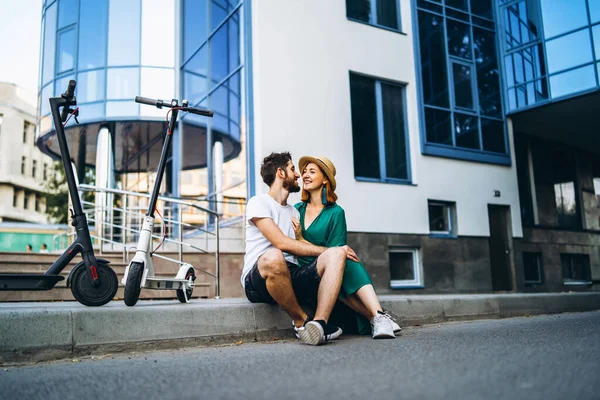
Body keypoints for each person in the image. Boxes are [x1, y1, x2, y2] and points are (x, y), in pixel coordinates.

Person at [242, 152, 360, 346]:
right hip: (259, 279)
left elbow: (300, 245)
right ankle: (301, 322)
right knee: (274, 255)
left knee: (336, 252)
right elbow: (281, 243)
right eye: (292, 169)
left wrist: (334, 251)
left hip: (291, 275)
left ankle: (319, 324)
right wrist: (324, 250)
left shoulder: (294, 211)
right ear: (280, 173)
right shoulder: (258, 202)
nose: (298, 175)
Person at [293, 155, 401, 339]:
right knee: (343, 254)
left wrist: (305, 241)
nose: (305, 175)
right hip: (307, 270)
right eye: (304, 172)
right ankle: (378, 316)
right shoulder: (297, 209)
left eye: (312, 171)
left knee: (345, 258)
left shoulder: (336, 212)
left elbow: (337, 254)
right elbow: (294, 246)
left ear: (325, 179)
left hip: (332, 269)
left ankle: (379, 317)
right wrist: (301, 239)